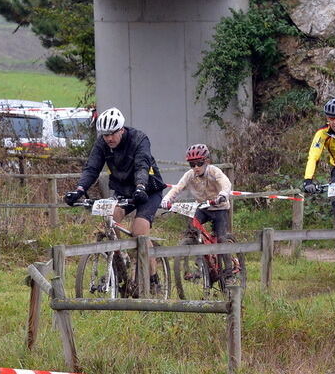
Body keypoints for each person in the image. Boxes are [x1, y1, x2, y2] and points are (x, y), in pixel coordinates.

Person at [64, 107, 166, 289]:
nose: (108, 138)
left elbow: (142, 165)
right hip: (123, 189)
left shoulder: (139, 139)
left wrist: (141, 187)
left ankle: (153, 278)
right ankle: (121, 263)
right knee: (111, 219)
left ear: (121, 130)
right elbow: (92, 168)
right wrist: (79, 190)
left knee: (139, 231)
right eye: (105, 135)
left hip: (148, 189)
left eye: (112, 134)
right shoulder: (102, 144)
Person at [161, 144, 234, 275]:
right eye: (192, 165)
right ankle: (199, 264)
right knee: (192, 231)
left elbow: (225, 182)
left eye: (199, 163)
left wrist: (223, 194)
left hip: (219, 208)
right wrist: (166, 200)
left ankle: (229, 273)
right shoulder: (189, 175)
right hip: (203, 208)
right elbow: (177, 188)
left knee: (222, 239)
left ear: (207, 161)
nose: (196, 167)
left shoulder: (214, 171)